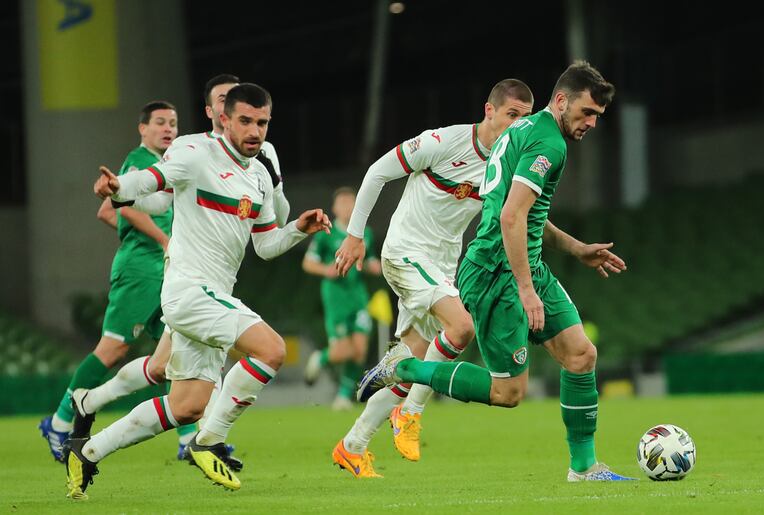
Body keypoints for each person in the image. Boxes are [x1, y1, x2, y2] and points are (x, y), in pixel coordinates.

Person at [358, 61, 636, 482]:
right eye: (586, 112)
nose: (592, 123)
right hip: (496, 273)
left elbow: (525, 215)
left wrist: (577, 249)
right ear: (561, 101)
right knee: (509, 393)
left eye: (598, 115)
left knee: (581, 355)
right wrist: (526, 290)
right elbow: (511, 218)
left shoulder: (520, 133)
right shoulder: (549, 145)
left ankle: (584, 468)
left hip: (523, 262)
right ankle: (406, 368)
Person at [64, 83, 331, 499]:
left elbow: (265, 246)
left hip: (212, 296)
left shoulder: (259, 175)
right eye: (245, 120)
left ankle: (89, 451)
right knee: (272, 350)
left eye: (261, 123)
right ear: (223, 118)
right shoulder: (194, 152)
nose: (254, 131)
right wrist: (118, 189)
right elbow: (153, 180)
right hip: (188, 290)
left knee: (186, 405)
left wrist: (298, 228)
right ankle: (208, 441)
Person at [330, 79, 534, 477]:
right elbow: (376, 172)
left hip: (441, 266)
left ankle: (352, 445)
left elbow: (524, 217)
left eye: (525, 119)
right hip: (406, 252)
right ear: (489, 111)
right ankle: (411, 414)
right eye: (512, 115)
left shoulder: (509, 164)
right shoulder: (443, 142)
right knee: (460, 328)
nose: (518, 126)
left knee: (416, 364)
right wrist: (355, 235)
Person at [39, 101, 178, 463]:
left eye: (173, 123)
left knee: (177, 346)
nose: (168, 129)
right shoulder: (139, 160)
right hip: (141, 269)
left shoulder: (167, 165)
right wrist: (161, 240)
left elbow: (106, 211)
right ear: (142, 129)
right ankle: (59, 421)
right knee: (113, 348)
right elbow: (123, 207)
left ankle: (191, 438)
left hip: (163, 268)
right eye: (160, 122)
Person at [302, 187, 381, 411]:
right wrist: (326, 269)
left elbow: (367, 259)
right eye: (343, 204)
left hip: (357, 294)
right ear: (335, 208)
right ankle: (321, 358)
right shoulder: (326, 234)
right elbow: (308, 263)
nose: (347, 208)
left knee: (359, 349)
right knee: (342, 351)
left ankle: (344, 396)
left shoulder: (365, 234)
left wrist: (373, 265)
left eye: (351, 203)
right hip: (335, 296)